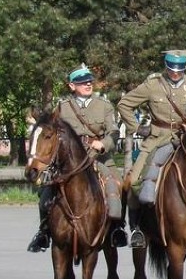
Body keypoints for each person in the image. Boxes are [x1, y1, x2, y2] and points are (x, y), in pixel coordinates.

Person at [27, 64, 127, 252]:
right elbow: (52, 131)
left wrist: (103, 143)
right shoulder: (63, 107)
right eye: (82, 82)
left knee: (118, 186)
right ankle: (44, 232)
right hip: (70, 161)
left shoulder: (104, 105)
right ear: (72, 86)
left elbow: (113, 132)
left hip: (98, 158)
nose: (87, 84)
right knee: (46, 193)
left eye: (89, 81)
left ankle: (116, 229)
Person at [117, 50, 186, 248]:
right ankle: (136, 229)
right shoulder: (153, 85)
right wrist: (138, 128)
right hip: (157, 139)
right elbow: (124, 104)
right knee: (133, 182)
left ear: (185, 67)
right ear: (166, 65)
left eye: (180, 68)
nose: (175, 73)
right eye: (171, 68)